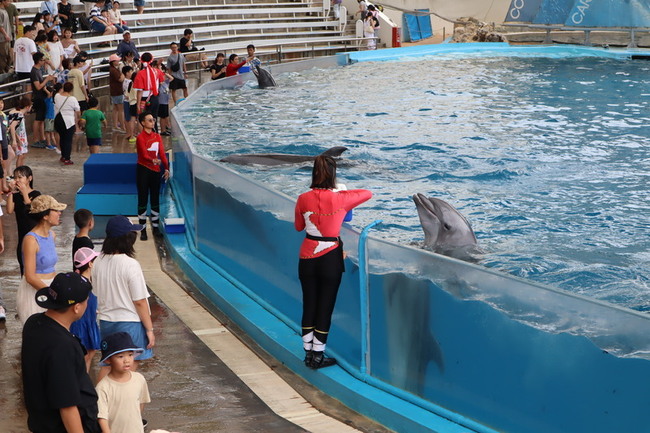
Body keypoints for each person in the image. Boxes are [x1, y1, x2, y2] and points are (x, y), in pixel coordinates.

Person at [294, 154, 372, 369]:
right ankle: (318, 356)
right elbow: (367, 193)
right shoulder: (341, 198)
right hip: (330, 256)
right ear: (334, 175)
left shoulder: (303, 198)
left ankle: (308, 353)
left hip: (307, 255)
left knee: (309, 303)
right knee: (325, 306)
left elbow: (299, 227)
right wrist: (340, 192)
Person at [22, 271, 101, 433]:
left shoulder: (33, 323)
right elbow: (67, 406)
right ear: (77, 308)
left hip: (40, 421)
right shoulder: (63, 346)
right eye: (86, 301)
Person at [92, 215, 155, 381]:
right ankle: (125, 405)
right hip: (129, 323)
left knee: (108, 365)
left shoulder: (99, 260)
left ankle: (100, 403)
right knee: (128, 371)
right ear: (127, 239)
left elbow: (96, 293)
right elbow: (140, 301)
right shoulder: (130, 265)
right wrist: (149, 329)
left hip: (106, 322)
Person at [17, 194, 67, 325]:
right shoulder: (31, 240)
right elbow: (30, 276)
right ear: (45, 216)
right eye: (55, 210)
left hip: (50, 285)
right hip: (35, 291)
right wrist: (52, 294)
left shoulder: (52, 235)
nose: (59, 213)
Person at [96, 332, 151, 433]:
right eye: (120, 356)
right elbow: (102, 417)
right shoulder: (103, 387)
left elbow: (141, 403)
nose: (127, 360)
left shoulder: (139, 379)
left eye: (130, 355)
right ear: (108, 360)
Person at [136, 112, 169, 239]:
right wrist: (153, 160)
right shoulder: (140, 138)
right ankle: (143, 229)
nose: (152, 122)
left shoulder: (157, 136)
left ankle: (155, 228)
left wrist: (166, 168)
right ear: (143, 123)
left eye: (153, 120)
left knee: (155, 199)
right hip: (143, 170)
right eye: (149, 120)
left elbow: (162, 153)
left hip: (155, 171)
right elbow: (143, 155)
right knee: (143, 199)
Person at [5, 165, 40, 275]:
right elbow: (9, 210)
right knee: (23, 269)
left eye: (20, 177)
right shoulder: (15, 196)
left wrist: (25, 192)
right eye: (15, 178)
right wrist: (11, 191)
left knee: (36, 269)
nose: (17, 180)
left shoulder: (36, 194)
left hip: (35, 237)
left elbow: (33, 210)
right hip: (22, 237)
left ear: (29, 178)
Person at [71, 247, 101, 372]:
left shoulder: (83, 281)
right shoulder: (84, 284)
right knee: (86, 354)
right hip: (83, 322)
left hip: (87, 320)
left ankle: (84, 379)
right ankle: (81, 380)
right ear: (90, 264)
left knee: (89, 352)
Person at [31, 51, 57, 149]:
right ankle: (35, 139)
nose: (44, 62)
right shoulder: (34, 71)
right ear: (38, 61)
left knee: (41, 120)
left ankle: (42, 139)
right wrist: (46, 80)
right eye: (42, 60)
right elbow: (38, 87)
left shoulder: (39, 70)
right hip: (38, 98)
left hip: (42, 97)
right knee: (38, 120)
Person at [55, 81, 81, 164]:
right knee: (68, 140)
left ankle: (63, 156)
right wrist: (79, 119)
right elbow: (78, 111)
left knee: (62, 138)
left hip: (58, 119)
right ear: (71, 90)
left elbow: (58, 93)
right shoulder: (72, 99)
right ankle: (67, 158)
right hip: (68, 121)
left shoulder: (57, 96)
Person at [133, 52, 164, 123]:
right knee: (154, 118)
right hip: (155, 97)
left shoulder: (140, 73)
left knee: (144, 120)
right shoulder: (157, 71)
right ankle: (155, 132)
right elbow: (162, 81)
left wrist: (138, 104)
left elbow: (140, 90)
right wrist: (159, 66)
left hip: (144, 99)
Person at [7, 96, 32, 168]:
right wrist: (15, 140)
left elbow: (12, 126)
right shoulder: (20, 115)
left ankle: (19, 171)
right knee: (21, 156)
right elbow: (12, 126)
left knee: (21, 155)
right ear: (27, 107)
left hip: (18, 136)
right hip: (20, 137)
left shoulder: (13, 112)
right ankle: (19, 171)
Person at [14, 25, 37, 89]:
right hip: (28, 68)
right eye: (33, 32)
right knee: (28, 88)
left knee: (22, 87)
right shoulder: (30, 42)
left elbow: (15, 54)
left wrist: (15, 66)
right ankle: (28, 99)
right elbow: (34, 55)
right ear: (28, 32)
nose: (34, 34)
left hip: (19, 68)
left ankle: (23, 99)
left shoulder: (17, 41)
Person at [108, 53, 125, 132]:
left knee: (115, 109)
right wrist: (123, 73)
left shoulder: (113, 69)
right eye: (117, 61)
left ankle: (115, 125)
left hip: (114, 91)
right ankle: (122, 127)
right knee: (120, 109)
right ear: (113, 61)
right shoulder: (114, 70)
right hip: (118, 91)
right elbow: (120, 79)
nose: (118, 62)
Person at [122, 65, 138, 142]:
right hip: (133, 102)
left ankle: (131, 134)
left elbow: (127, 94)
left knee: (131, 119)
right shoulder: (132, 83)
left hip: (130, 102)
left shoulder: (129, 82)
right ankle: (131, 133)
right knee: (132, 119)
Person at [43, 82, 59, 151]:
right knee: (48, 132)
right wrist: (45, 89)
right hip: (48, 117)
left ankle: (54, 143)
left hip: (52, 117)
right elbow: (49, 94)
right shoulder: (47, 99)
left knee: (52, 132)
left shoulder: (52, 99)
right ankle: (48, 144)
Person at [157, 63, 171, 135]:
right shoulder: (159, 83)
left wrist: (164, 73)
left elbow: (172, 78)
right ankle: (163, 130)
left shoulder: (166, 82)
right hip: (161, 102)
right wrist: (160, 72)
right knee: (162, 117)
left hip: (166, 102)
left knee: (165, 116)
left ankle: (165, 128)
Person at [0, 0, 12, 74]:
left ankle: (6, 71)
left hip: (7, 38)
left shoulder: (5, 10)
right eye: (8, 0)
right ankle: (2, 72)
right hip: (2, 39)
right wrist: (5, 35)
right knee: (3, 57)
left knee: (10, 56)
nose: (9, 2)